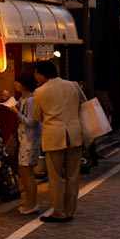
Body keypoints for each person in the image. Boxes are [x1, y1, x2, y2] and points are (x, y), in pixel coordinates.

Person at [33, 60, 83, 223]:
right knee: (72, 175)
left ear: (42, 74)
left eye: (36, 73)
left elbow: (37, 116)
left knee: (55, 177)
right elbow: (82, 105)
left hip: (54, 136)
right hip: (74, 135)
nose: (36, 77)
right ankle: (69, 211)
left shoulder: (40, 92)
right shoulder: (73, 86)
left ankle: (59, 212)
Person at [7, 71, 41, 215]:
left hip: (30, 140)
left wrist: (16, 112)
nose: (15, 83)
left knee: (27, 173)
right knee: (24, 172)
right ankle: (30, 203)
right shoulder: (24, 98)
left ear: (24, 84)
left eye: (17, 81)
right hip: (25, 140)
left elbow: (32, 122)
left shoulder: (31, 100)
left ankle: (32, 204)